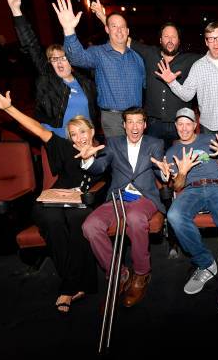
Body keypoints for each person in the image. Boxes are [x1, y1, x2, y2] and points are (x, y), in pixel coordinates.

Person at [0, 84, 98, 314]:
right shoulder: (64, 147)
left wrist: (91, 160)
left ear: (92, 131)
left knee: (77, 218)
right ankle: (73, 284)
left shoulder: (102, 151)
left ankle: (70, 286)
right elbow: (37, 129)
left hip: (84, 199)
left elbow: (103, 177)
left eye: (83, 131)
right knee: (50, 219)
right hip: (57, 196)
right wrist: (9, 108)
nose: (79, 138)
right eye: (73, 134)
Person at [90, 0, 218, 145]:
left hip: (180, 125)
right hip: (153, 125)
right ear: (160, 39)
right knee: (155, 163)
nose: (170, 40)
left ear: (179, 40)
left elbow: (217, 54)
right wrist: (104, 18)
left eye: (174, 37)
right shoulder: (149, 53)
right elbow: (122, 36)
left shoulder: (191, 60)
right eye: (166, 36)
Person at [155, 107, 218, 328]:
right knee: (173, 215)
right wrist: (181, 172)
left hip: (217, 188)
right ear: (176, 126)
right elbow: (177, 186)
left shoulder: (211, 139)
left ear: (195, 125)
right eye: (179, 124)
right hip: (190, 190)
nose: (184, 128)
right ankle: (205, 263)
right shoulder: (172, 151)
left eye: (188, 123)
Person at [75, 107, 164, 307]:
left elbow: (160, 171)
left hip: (144, 198)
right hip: (118, 197)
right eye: (130, 122)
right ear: (123, 125)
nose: (134, 126)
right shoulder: (113, 144)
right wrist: (88, 158)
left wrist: (166, 173)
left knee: (134, 218)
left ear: (145, 125)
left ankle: (142, 273)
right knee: (90, 226)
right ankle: (119, 272)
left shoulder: (155, 143)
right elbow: (100, 167)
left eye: (139, 122)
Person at [6, 0, 98, 139]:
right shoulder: (49, 78)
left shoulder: (86, 82)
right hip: (58, 141)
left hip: (86, 141)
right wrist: (16, 11)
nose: (59, 62)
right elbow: (31, 46)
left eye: (63, 57)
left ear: (72, 61)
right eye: (54, 59)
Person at [53, 0, 145, 137]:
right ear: (107, 29)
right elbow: (76, 58)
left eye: (122, 27)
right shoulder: (98, 53)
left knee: (137, 156)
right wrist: (69, 30)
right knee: (117, 157)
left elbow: (145, 85)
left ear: (128, 31)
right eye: (114, 26)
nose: (119, 30)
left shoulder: (137, 58)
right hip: (113, 119)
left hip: (135, 119)